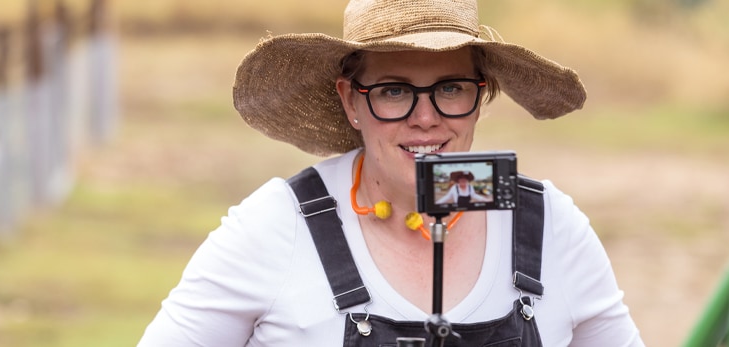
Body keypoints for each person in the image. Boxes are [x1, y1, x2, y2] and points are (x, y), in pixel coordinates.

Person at [138, 0, 644, 346]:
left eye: (449, 88)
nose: (425, 118)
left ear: (481, 95)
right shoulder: (275, 227)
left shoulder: (550, 224)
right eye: (394, 91)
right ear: (349, 102)